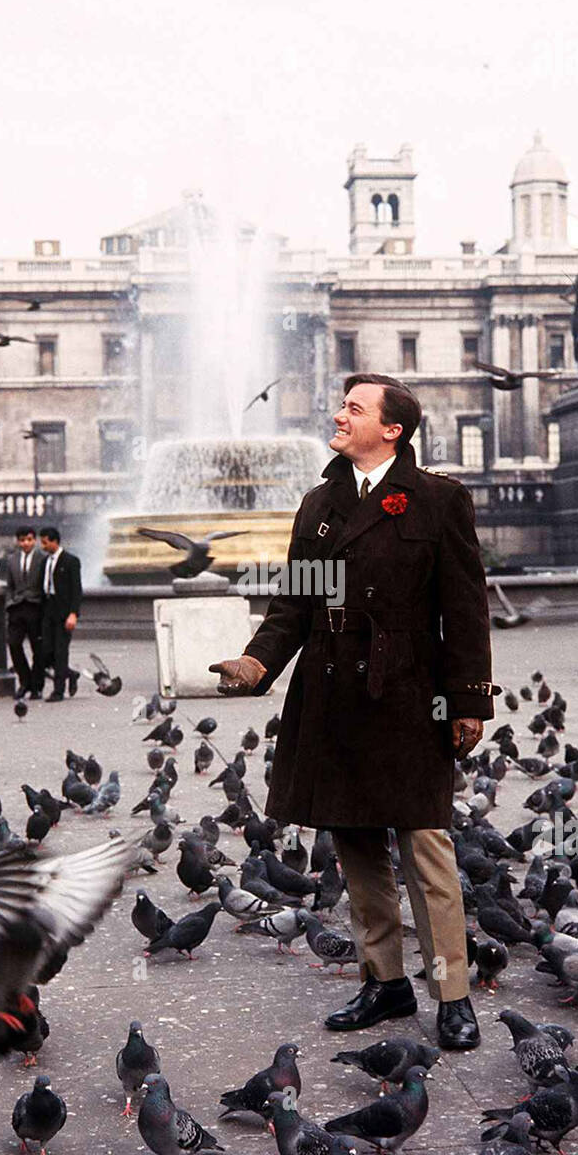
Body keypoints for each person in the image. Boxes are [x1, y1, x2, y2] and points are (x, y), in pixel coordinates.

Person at [208, 373, 498, 1052]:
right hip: (334, 697)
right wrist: (257, 663)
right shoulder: (321, 505)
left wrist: (468, 699)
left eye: (354, 408)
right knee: (357, 845)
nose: (340, 416)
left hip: (408, 696)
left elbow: (465, 607)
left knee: (427, 848)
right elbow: (297, 604)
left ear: (391, 429)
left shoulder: (438, 500)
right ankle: (384, 979)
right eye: (343, 406)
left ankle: (452, 991)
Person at [38, 526, 81, 702]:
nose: (43, 546)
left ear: (55, 541)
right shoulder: (45, 562)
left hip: (63, 612)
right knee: (46, 651)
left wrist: (73, 614)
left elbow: (77, 589)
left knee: (60, 652)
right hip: (48, 610)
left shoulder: (71, 561)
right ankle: (70, 674)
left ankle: (58, 691)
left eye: (45, 542)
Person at [4, 525, 45, 700]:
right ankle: (24, 681)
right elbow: (9, 585)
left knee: (38, 649)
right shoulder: (12, 560)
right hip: (17, 608)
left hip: (36, 608)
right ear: (18, 541)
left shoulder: (43, 559)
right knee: (13, 644)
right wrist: (9, 602)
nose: (25, 543)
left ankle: (36, 686)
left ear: (34, 540)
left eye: (29, 539)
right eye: (22, 540)